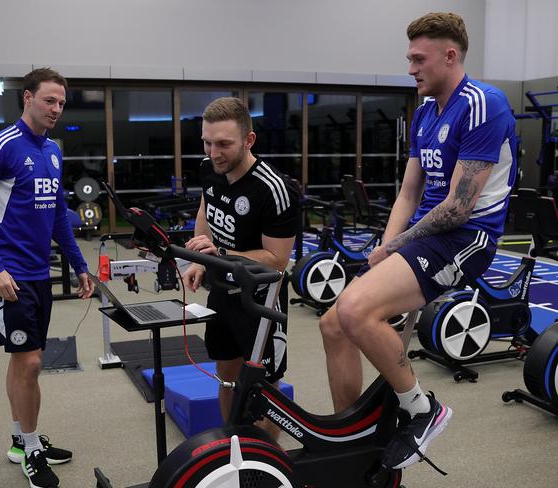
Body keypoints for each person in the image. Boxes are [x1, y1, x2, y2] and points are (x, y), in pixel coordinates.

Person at [319, 12, 517, 471]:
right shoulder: (426, 111)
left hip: (465, 238)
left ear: (450, 55)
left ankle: (422, 409)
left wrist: (393, 248)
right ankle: (353, 430)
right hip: (423, 240)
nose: (410, 68)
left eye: (417, 58)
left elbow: (457, 208)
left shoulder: (485, 104)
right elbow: (409, 192)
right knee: (335, 324)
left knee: (353, 309)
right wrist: (383, 255)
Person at [0, 68, 95, 488]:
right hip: (7, 276)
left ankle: (21, 439)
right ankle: (31, 449)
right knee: (32, 362)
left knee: (23, 362)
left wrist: (80, 264)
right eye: (49, 100)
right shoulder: (2, 146)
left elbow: (56, 217)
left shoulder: (52, 151)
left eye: (61, 103)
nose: (56, 109)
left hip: (38, 276)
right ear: (28, 97)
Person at [182, 97, 299, 440]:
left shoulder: (274, 190)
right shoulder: (209, 168)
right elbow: (206, 210)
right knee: (227, 374)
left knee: (263, 385)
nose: (213, 152)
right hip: (223, 292)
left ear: (248, 141)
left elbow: (277, 260)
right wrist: (200, 260)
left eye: (223, 144)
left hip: (260, 300)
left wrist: (219, 252)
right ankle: (233, 442)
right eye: (207, 142)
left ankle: (265, 463)